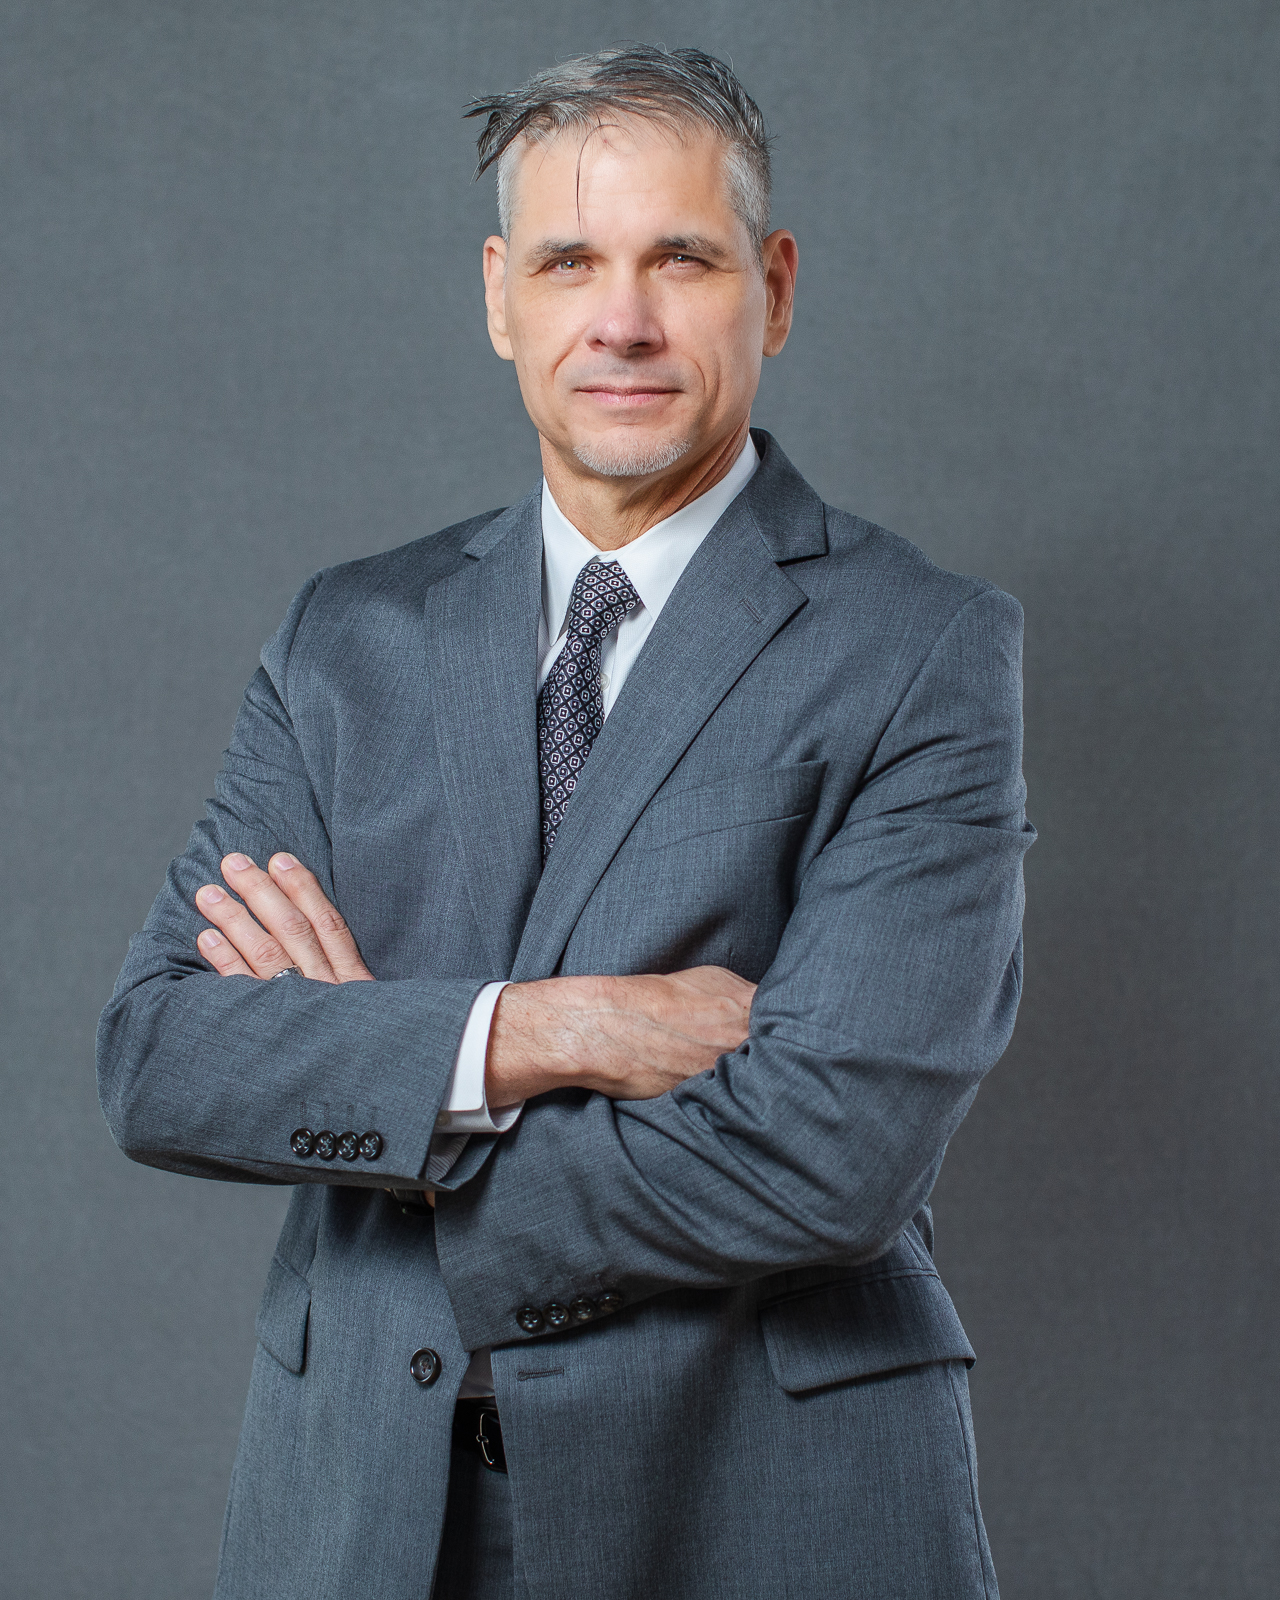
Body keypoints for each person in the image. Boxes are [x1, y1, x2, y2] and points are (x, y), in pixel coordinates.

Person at [97, 44, 1032, 1600]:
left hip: (757, 1506)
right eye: (568, 262)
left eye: (681, 258)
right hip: (363, 1512)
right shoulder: (347, 639)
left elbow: (831, 1155)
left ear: (773, 289)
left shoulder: (922, 648)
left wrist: (390, 1095)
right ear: (499, 297)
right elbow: (162, 1059)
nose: (623, 320)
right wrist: (540, 1033)